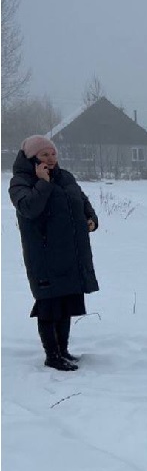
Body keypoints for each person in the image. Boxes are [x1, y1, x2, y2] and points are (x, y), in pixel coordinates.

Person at [9, 135, 99, 371]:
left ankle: (63, 351)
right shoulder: (21, 182)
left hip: (70, 253)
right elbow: (29, 208)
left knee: (66, 300)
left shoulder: (65, 177)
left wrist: (91, 218)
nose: (50, 158)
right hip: (44, 254)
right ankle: (52, 356)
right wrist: (43, 182)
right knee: (49, 304)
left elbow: (81, 200)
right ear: (32, 158)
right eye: (44, 154)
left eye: (53, 153)